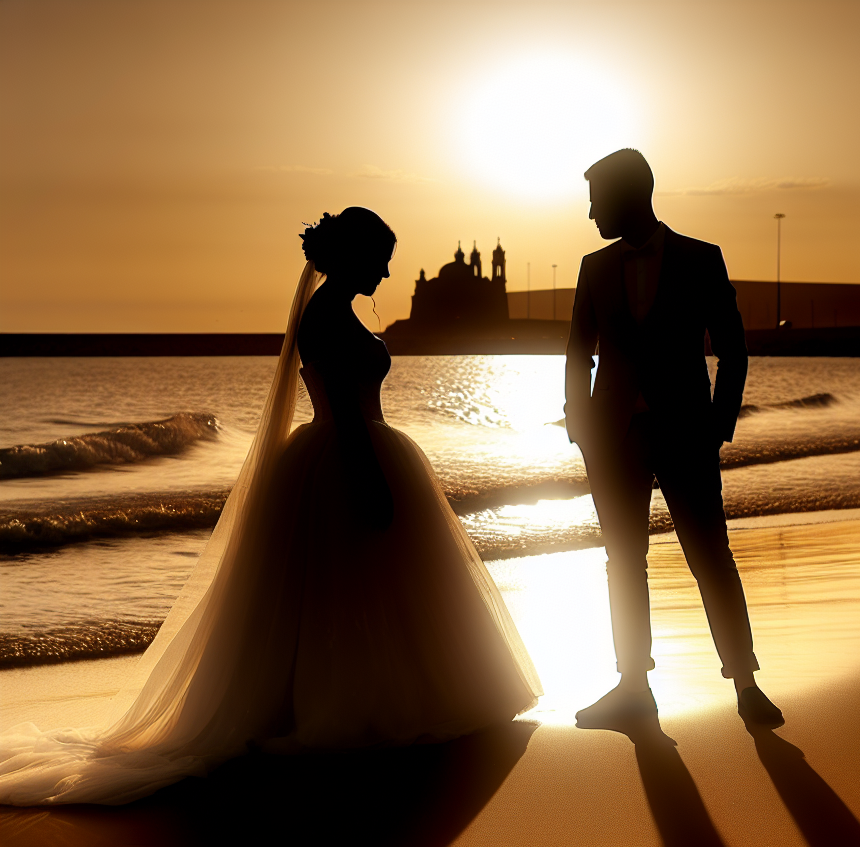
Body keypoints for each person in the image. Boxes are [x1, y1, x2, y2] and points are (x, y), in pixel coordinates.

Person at [0, 207, 541, 806]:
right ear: (356, 256)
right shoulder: (329, 318)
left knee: (361, 591)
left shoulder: (333, 311)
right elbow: (344, 404)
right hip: (348, 454)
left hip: (349, 449)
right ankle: (346, 706)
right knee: (348, 590)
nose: (388, 272)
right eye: (381, 258)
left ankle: (372, 694)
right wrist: (372, 480)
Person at [564, 150, 783, 729]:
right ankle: (632, 686)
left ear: (630, 195)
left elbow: (733, 349)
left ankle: (746, 682)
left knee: (711, 557)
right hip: (614, 437)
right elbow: (577, 351)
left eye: (596, 199)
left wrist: (717, 425)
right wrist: (579, 424)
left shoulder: (699, 259)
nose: (590, 213)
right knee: (623, 562)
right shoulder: (593, 267)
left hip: (686, 431)